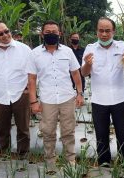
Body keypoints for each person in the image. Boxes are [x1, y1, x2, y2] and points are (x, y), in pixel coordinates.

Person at [27, 20, 84, 168]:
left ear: (59, 33)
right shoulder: (34, 54)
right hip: (47, 100)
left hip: (67, 97)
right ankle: (50, 160)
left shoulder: (67, 51)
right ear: (42, 34)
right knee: (48, 132)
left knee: (68, 131)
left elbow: (76, 74)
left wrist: (79, 93)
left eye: (54, 32)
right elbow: (32, 79)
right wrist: (33, 101)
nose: (51, 35)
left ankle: (70, 159)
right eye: (48, 33)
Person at [81, 17, 124, 166]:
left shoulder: (122, 47)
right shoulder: (90, 49)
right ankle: (104, 162)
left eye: (107, 31)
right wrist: (87, 65)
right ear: (97, 31)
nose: (104, 34)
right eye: (101, 30)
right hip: (99, 100)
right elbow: (83, 73)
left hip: (119, 98)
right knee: (101, 134)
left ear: (113, 31)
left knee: (123, 133)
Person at [0, 20, 31, 159]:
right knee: (2, 129)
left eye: (7, 31)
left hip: (21, 95)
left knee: (23, 129)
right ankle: (4, 154)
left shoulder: (24, 49)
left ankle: (23, 155)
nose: (5, 35)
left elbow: (32, 73)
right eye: (0, 34)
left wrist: (30, 92)